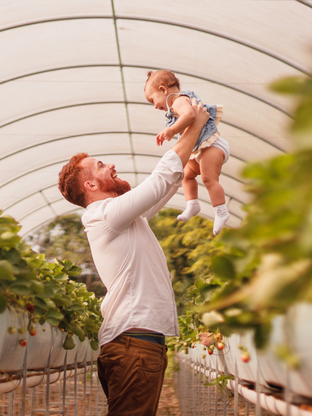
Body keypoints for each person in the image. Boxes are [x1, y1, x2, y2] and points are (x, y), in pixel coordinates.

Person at [56, 110, 208, 416]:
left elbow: (165, 186)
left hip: (138, 345)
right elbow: (159, 179)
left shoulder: (124, 218)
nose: (111, 165)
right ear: (90, 186)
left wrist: (193, 145)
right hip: (133, 346)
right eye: (100, 166)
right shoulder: (103, 215)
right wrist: (197, 124)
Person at [144, 69, 230, 235]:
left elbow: (190, 115)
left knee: (208, 178)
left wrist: (171, 130)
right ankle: (192, 204)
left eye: (153, 100)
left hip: (212, 146)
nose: (155, 106)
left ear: (163, 90)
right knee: (186, 174)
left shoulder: (179, 100)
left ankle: (221, 211)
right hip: (200, 149)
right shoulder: (175, 105)